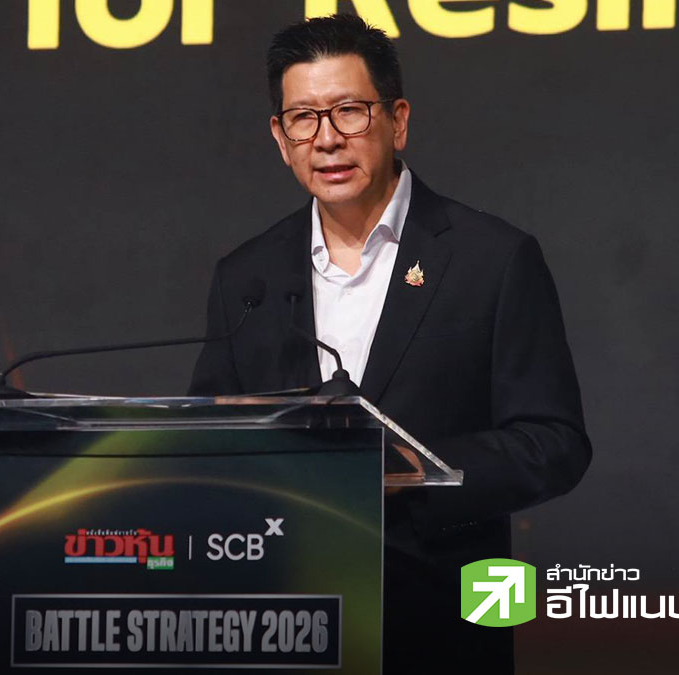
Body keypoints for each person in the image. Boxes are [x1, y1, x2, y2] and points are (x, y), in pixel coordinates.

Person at [188, 14, 591, 673]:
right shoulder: (247, 277)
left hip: (439, 621)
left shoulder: (491, 259)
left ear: (397, 120)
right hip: (285, 622)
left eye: (349, 111)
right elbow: (209, 443)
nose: (327, 139)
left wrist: (408, 472)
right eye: (304, 119)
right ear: (281, 139)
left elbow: (554, 443)